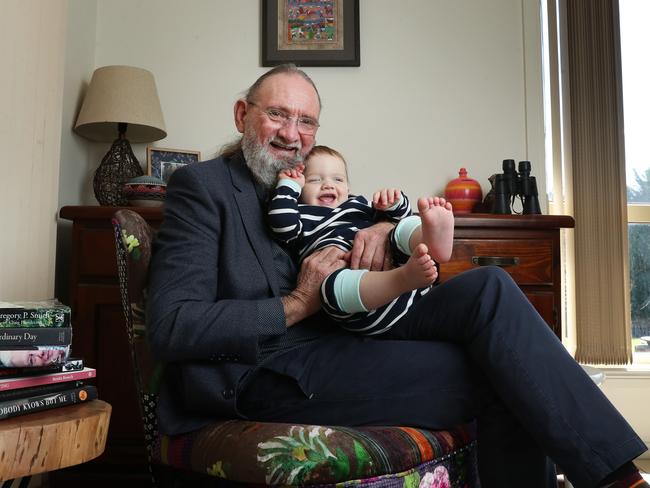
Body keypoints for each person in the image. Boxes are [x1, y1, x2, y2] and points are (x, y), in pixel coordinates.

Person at [147, 64, 648, 487]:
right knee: (502, 374)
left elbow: (360, 215)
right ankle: (615, 480)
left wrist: (387, 228)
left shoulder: (312, 183)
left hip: (348, 333)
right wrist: (298, 303)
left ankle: (617, 478)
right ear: (242, 115)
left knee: (489, 288)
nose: (291, 134)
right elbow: (173, 326)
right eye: (276, 114)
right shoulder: (202, 188)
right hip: (265, 372)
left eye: (307, 122)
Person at [267, 144, 452, 335]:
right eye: (314, 180)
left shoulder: (358, 204)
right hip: (363, 302)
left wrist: (394, 203)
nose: (328, 185)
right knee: (329, 289)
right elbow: (282, 224)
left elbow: (400, 216)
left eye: (338, 179)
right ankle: (403, 278)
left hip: (404, 280)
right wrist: (288, 185)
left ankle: (432, 240)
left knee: (401, 228)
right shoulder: (302, 214)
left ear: (348, 187)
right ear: (300, 188)